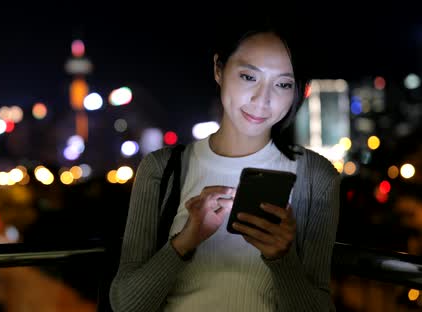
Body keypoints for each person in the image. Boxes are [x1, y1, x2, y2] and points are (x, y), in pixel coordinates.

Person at [109, 25, 340, 311]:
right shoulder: (162, 168)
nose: (262, 99)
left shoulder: (316, 177)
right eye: (248, 76)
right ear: (219, 69)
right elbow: (125, 304)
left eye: (283, 84)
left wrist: (281, 259)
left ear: (298, 91)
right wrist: (185, 240)